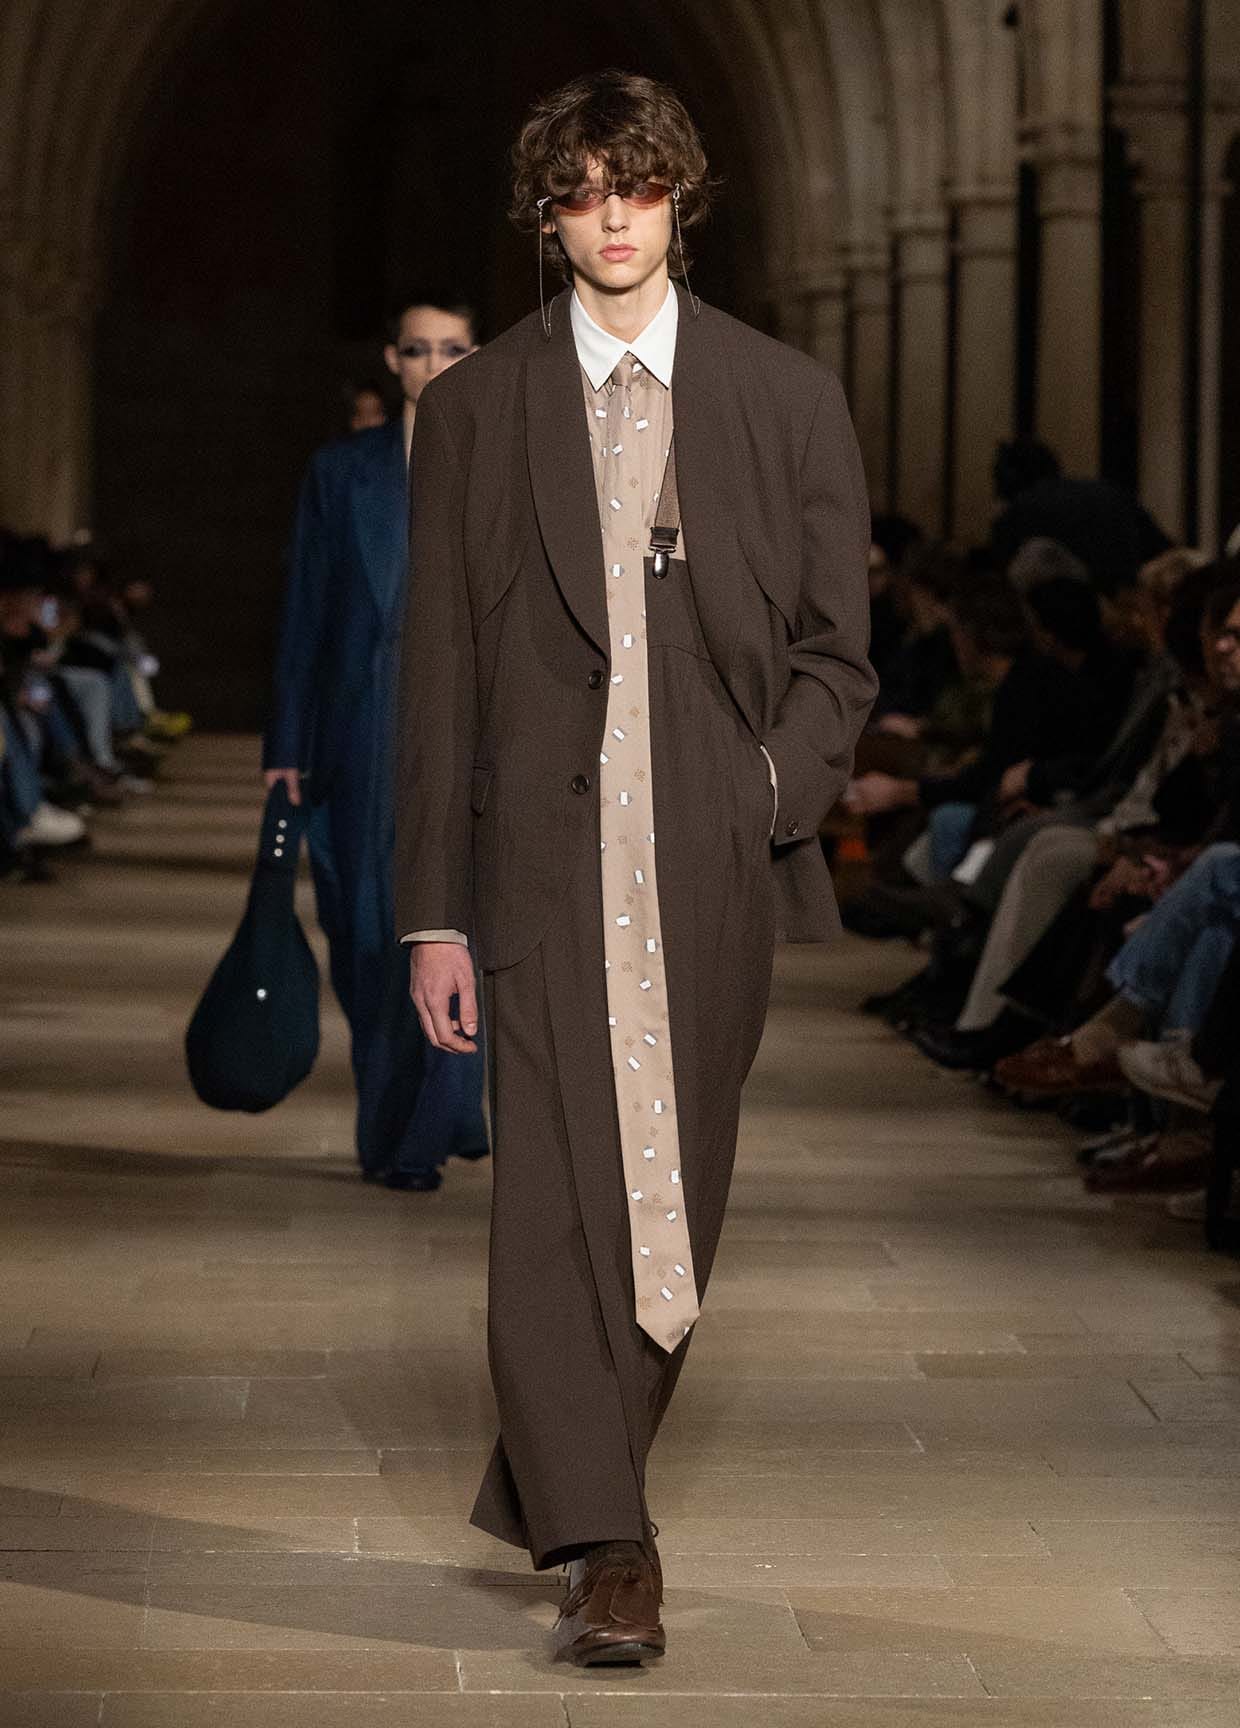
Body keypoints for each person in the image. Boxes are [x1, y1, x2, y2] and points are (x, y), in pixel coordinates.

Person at [395, 69, 875, 1665]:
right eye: (583, 192)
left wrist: (764, 788)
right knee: (548, 1203)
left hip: (709, 850)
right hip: (533, 854)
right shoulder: (477, 409)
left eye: (640, 187)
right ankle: (612, 1548)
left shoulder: (784, 398)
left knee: (672, 1193)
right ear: (549, 214)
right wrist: (428, 912)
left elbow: (839, 652)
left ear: (682, 198)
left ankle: (577, 1484)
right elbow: (435, 672)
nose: (613, 218)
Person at [264, 299, 486, 1191]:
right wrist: (286, 741)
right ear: (393, 360)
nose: (434, 363)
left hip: (474, 727)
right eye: (418, 349)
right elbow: (305, 606)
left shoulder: (512, 460)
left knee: (460, 919)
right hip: (362, 730)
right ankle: (424, 1108)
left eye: (452, 348)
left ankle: (416, 1133)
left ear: (476, 355)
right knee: (363, 931)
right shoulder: (341, 470)